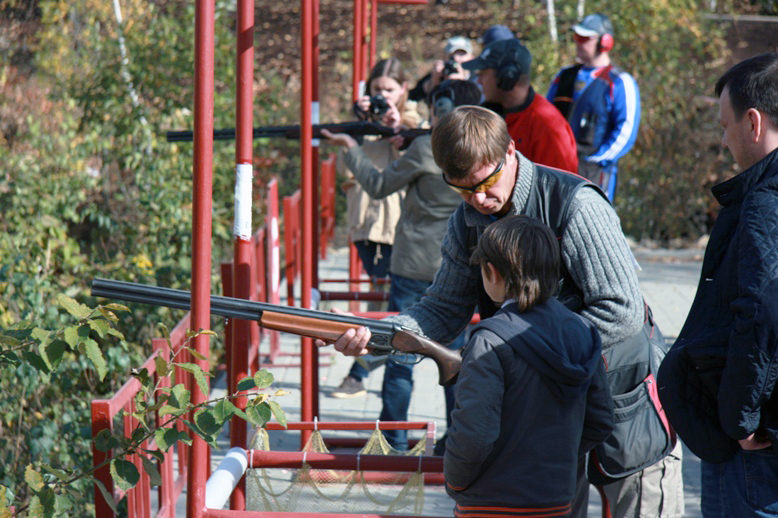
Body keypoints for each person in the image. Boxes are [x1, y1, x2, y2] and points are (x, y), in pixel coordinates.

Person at [319, 106, 684, 517]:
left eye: (486, 182)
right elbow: (444, 307)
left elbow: (622, 311)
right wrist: (378, 337)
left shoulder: (577, 204)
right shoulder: (468, 219)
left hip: (622, 400)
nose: (477, 200)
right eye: (460, 188)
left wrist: (523, 353)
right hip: (552, 420)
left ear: (510, 151)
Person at [323, 80, 483, 448]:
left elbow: (378, 186)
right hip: (460, 267)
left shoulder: (427, 147)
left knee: (398, 354)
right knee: (458, 360)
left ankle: (393, 438)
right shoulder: (476, 149)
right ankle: (458, 441)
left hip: (412, 266)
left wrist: (351, 149)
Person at [657, 53, 778, 517]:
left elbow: (763, 310)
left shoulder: (766, 203)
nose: (723, 140)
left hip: (756, 451)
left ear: (753, 122)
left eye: (725, 126)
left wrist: (740, 418)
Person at [445, 214, 614, 518]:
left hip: (490, 502)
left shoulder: (488, 340)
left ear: (491, 272)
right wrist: (555, 459)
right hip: (557, 498)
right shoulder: (584, 331)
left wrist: (456, 483)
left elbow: (474, 433)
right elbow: (600, 420)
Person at [341, 57, 420, 323]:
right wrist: (360, 123)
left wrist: (398, 129)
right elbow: (345, 171)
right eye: (377, 90)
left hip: (398, 222)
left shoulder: (414, 122)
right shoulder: (363, 122)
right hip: (364, 221)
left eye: (389, 89)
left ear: (403, 89)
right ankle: (376, 349)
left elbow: (418, 167)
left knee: (392, 294)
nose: (383, 96)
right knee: (378, 288)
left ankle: (375, 353)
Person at [547, 13, 640, 201]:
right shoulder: (564, 76)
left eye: (584, 38)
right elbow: (545, 117)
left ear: (605, 43)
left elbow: (626, 131)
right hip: (556, 168)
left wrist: (597, 161)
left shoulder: (620, 82)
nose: (578, 43)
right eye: (576, 38)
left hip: (594, 174)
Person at [461, 38, 579, 173]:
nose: (479, 81)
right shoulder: (491, 112)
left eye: (483, 74)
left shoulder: (548, 127)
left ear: (506, 77)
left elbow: (560, 190)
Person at [408, 36, 476, 106]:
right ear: (444, 57)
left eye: (461, 54)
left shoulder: (478, 80)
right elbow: (411, 99)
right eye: (451, 56)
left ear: (472, 57)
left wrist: (462, 85)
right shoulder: (438, 76)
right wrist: (433, 83)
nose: (456, 59)